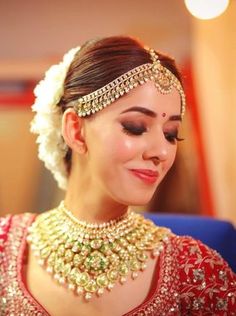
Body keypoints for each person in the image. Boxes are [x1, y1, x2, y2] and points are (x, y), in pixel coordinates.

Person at [0, 36, 235, 316]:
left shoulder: (196, 272)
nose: (161, 150)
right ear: (75, 130)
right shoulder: (5, 251)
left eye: (171, 134)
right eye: (135, 127)